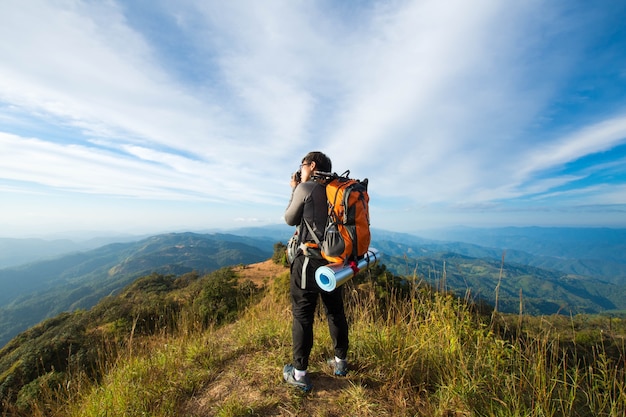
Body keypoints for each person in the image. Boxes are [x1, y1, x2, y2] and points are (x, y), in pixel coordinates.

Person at [282, 151, 349, 392]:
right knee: (335, 311)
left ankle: (299, 374)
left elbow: (290, 218)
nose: (300, 170)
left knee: (303, 315)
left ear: (311, 165)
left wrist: (295, 188)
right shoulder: (337, 190)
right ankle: (340, 363)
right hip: (334, 263)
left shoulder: (306, 187)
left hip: (309, 262)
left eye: (302, 166)